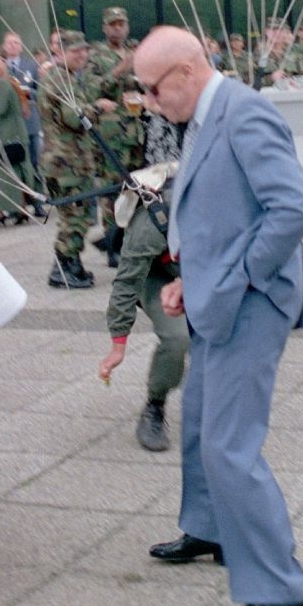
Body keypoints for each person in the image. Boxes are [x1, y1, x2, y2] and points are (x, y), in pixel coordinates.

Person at [134, 26, 303, 606]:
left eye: (155, 90)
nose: (152, 103)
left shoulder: (245, 112)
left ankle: (281, 589)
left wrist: (233, 278)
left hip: (252, 301)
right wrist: (192, 278)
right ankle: (209, 528)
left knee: (229, 445)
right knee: (199, 423)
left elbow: (292, 208)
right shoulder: (207, 116)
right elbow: (222, 208)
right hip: (218, 295)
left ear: (186, 71)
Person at [97, 103, 189, 451]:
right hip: (157, 275)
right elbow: (127, 280)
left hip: (198, 272)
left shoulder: (223, 202)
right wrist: (117, 344)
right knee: (178, 338)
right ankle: (155, 405)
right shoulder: (155, 218)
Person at [37, 30, 117, 289]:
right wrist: (99, 107)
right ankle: (62, 268)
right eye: (75, 51)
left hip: (69, 160)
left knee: (76, 216)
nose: (81, 55)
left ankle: (72, 265)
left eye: (84, 50)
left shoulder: (64, 77)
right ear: (59, 53)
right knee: (76, 218)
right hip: (66, 162)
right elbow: (74, 118)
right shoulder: (61, 79)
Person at [86, 6, 145, 265]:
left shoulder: (136, 51)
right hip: (111, 134)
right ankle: (112, 245)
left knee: (137, 188)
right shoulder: (97, 56)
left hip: (136, 130)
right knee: (113, 191)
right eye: (113, 24)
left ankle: (132, 241)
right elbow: (90, 89)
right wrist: (120, 69)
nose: (118, 28)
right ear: (105, 27)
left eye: (121, 23)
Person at [0, 50, 35, 226]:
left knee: (3, 176)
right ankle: (20, 210)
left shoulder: (4, 84)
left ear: (5, 63)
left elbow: (0, 109)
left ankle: (3, 212)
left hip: (8, 135)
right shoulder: (10, 81)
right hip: (16, 134)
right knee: (17, 174)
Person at [0, 30, 42, 178]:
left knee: (33, 160)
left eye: (16, 43)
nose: (12, 46)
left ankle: (35, 196)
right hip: (9, 124)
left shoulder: (32, 65)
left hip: (29, 120)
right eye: (9, 43)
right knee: (12, 164)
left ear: (21, 47)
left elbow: (41, 92)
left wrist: (28, 92)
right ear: (4, 46)